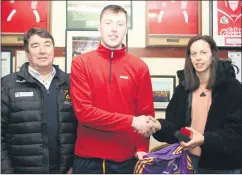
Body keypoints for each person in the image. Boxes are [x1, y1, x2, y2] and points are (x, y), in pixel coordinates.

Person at [70, 4, 155, 174]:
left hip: (126, 159)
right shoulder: (81, 63)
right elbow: (84, 113)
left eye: (120, 24)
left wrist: (141, 147)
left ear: (126, 29)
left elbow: (145, 113)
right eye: (108, 23)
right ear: (99, 27)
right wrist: (131, 121)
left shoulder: (139, 67)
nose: (114, 29)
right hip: (87, 159)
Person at [150, 35, 242, 173]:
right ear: (190, 58)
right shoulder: (183, 89)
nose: (198, 57)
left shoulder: (232, 88)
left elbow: (236, 134)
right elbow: (174, 129)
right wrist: (158, 126)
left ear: (213, 56)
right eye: (194, 54)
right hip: (188, 162)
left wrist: (205, 140)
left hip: (223, 166)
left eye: (203, 53)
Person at [1, 27, 77, 174]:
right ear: (27, 53)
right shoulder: (7, 85)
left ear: (53, 50)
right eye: (35, 46)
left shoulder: (71, 83)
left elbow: (82, 129)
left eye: (47, 44)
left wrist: (75, 166)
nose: (42, 50)